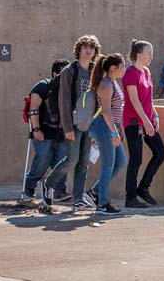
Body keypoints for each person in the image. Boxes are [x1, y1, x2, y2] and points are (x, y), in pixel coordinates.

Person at [40, 35, 101, 210]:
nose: (88, 50)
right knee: (72, 160)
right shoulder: (69, 71)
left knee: (83, 163)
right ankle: (48, 183)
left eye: (91, 47)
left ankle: (78, 199)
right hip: (73, 124)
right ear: (79, 50)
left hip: (89, 124)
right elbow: (64, 101)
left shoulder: (94, 71)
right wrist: (67, 126)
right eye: (85, 47)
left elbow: (97, 99)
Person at [123, 40, 164, 208]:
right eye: (149, 53)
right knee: (136, 159)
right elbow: (134, 100)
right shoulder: (130, 74)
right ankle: (130, 197)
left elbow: (147, 99)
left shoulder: (146, 72)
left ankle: (143, 187)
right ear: (139, 54)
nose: (151, 56)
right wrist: (146, 121)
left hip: (147, 120)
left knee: (160, 152)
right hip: (134, 122)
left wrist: (154, 115)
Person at [86, 53, 128, 215]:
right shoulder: (105, 84)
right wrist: (114, 132)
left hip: (112, 127)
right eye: (122, 67)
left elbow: (118, 108)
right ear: (113, 68)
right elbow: (105, 111)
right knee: (108, 165)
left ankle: (94, 192)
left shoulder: (113, 82)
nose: (124, 70)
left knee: (120, 162)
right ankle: (102, 204)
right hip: (104, 127)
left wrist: (120, 127)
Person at [23, 59, 71, 201]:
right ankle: (30, 187)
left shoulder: (68, 91)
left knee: (61, 161)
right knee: (43, 159)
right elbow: (33, 108)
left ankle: (59, 191)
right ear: (54, 73)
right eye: (63, 74)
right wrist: (36, 129)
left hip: (61, 133)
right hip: (44, 132)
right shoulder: (42, 86)